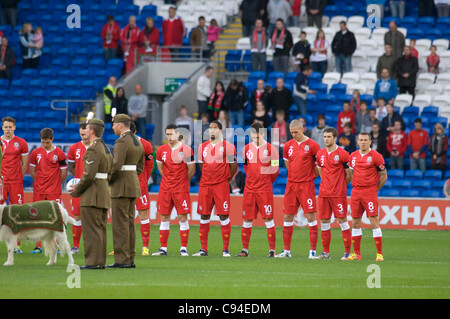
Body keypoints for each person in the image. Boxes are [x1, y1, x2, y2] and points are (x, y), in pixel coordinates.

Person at [70, 118, 112, 270]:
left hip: (92, 193)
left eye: (87, 129)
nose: (85, 131)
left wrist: (77, 190)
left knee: (91, 230)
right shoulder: (105, 147)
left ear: (92, 131)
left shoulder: (93, 149)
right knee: (100, 229)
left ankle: (92, 262)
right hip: (103, 191)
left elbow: (88, 175)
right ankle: (100, 261)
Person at [276, 119, 320, 259]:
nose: (293, 135)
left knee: (310, 216)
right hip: (291, 185)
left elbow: (318, 166)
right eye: (291, 132)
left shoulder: (313, 145)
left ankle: (312, 252)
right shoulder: (288, 145)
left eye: (295, 132)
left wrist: (308, 176)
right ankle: (286, 251)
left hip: (306, 185)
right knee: (288, 215)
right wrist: (295, 175)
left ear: (302, 129)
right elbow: (287, 163)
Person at [193, 121, 237, 257]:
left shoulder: (228, 147)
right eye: (210, 128)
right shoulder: (202, 147)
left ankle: (225, 249)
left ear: (220, 131)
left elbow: (233, 165)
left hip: (221, 185)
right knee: (204, 215)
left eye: (214, 128)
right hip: (205, 185)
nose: (212, 130)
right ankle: (203, 249)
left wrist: (226, 179)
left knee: (223, 215)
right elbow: (201, 165)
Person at [108, 114, 145, 268]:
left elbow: (116, 165)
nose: (112, 127)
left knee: (120, 224)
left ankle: (121, 260)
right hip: (132, 184)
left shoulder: (122, 141)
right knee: (129, 223)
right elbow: (141, 167)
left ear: (121, 125)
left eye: (114, 124)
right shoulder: (138, 141)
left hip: (121, 185)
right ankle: (129, 258)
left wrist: (108, 180)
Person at [237, 122, 279, 257]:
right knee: (247, 220)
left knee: (268, 219)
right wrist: (253, 177)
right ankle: (245, 250)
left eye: (257, 135)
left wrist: (264, 179)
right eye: (252, 135)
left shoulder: (271, 149)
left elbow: (275, 169)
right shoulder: (246, 149)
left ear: (262, 133)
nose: (254, 138)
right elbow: (246, 167)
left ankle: (272, 251)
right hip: (249, 189)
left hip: (264, 190)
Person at [153, 124, 194, 256]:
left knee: (182, 217)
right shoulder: (161, 150)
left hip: (180, 189)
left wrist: (181, 181)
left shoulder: (186, 150)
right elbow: (160, 168)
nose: (169, 137)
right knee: (164, 216)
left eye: (172, 134)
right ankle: (163, 248)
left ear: (178, 134)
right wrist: (168, 179)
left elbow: (191, 170)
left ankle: (183, 248)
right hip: (165, 188)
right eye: (167, 134)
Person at [346, 131, 387, 261]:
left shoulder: (376, 156)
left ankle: (379, 254)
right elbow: (351, 173)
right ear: (357, 142)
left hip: (369, 192)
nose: (363, 142)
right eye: (361, 140)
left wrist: (375, 189)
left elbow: (384, 176)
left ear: (370, 142)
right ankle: (357, 254)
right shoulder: (352, 156)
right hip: (356, 192)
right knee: (355, 222)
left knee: (373, 220)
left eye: (365, 140)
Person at [29, 128, 68, 254]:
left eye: (47, 142)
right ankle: (38, 245)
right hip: (39, 190)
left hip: (54, 191)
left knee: (55, 217)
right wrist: (39, 183)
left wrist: (55, 184)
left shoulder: (60, 154)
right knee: (37, 216)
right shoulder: (35, 153)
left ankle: (55, 244)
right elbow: (32, 171)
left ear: (52, 139)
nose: (45, 145)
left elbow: (64, 173)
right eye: (43, 142)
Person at [316, 127, 352, 260]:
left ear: (335, 138)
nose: (326, 139)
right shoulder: (320, 154)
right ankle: (326, 253)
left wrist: (340, 185)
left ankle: (347, 253)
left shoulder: (343, 154)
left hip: (338, 194)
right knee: (324, 222)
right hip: (324, 193)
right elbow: (320, 172)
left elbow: (349, 175)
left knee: (342, 220)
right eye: (325, 137)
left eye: (329, 137)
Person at [1, 116, 28, 254]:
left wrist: (19, 177)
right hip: (1, 182)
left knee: (17, 212)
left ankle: (17, 245)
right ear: (2, 127)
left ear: (14, 127)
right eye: (5, 127)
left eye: (10, 127)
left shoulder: (21, 142)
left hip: (16, 182)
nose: (8, 129)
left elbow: (25, 163)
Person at [129, 121, 154, 256]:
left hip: (140, 185)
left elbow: (150, 165)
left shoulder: (145, 144)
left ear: (135, 132)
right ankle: (122, 246)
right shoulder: (120, 144)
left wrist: (143, 179)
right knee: (124, 216)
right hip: (125, 185)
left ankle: (145, 247)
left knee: (143, 214)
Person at [67, 123, 90, 254]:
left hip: (93, 186)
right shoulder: (74, 148)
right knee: (77, 216)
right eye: (81, 134)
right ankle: (75, 246)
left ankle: (92, 245)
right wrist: (78, 179)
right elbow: (71, 165)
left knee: (92, 217)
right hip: (78, 187)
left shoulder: (96, 147)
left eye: (86, 134)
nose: (84, 137)